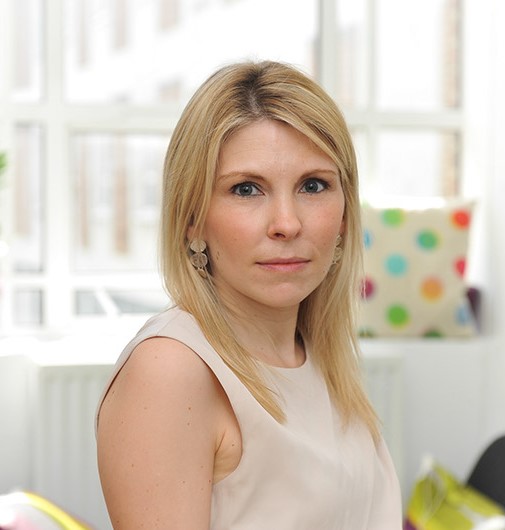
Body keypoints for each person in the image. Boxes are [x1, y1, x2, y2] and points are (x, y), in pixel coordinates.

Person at [96, 60, 402, 529]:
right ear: (192, 218)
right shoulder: (170, 371)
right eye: (246, 189)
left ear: (344, 214)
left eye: (313, 185)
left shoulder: (315, 353)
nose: (287, 223)